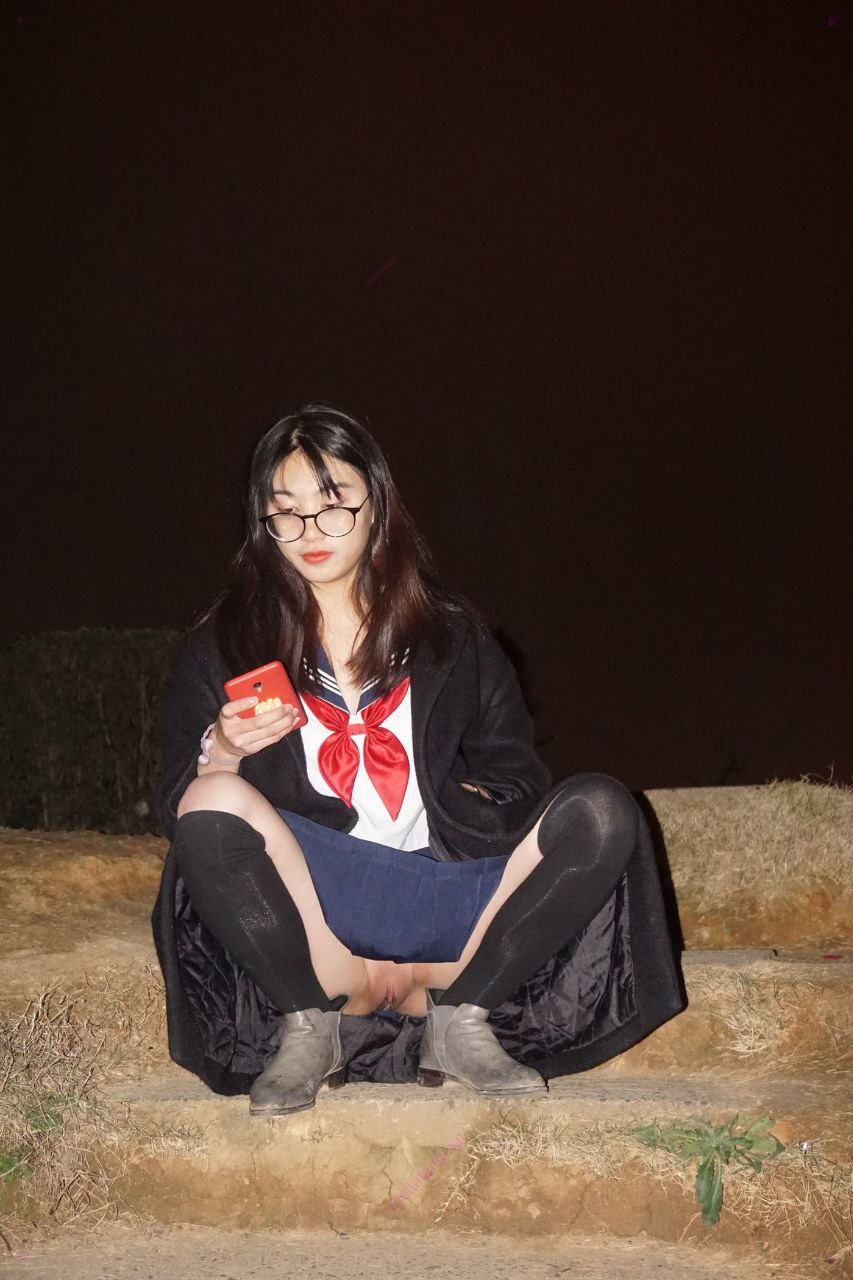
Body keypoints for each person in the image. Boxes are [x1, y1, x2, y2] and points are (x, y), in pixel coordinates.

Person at [151, 402, 685, 1118]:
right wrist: (222, 749)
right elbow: (178, 814)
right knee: (211, 800)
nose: (310, 531)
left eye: (332, 504)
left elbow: (517, 780)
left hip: (449, 911)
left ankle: (461, 1020)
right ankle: (309, 1025)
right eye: (286, 512)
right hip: (316, 917)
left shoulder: (452, 639)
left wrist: (459, 799)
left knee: (601, 809)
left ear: (376, 503)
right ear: (263, 519)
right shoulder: (222, 646)